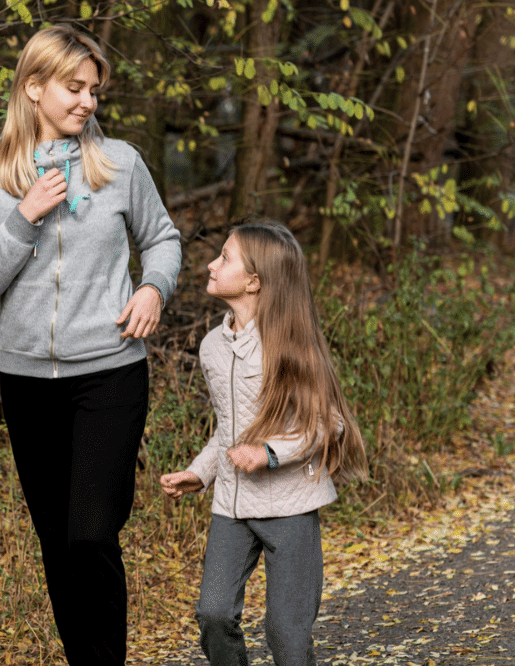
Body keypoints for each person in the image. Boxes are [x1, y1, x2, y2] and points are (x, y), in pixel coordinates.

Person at [0, 24, 181, 665]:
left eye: (93, 91)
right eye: (73, 88)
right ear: (33, 87)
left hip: (109, 371)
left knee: (90, 534)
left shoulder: (121, 164)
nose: (87, 102)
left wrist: (153, 289)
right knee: (57, 541)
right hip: (27, 381)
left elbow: (162, 239)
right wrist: (23, 216)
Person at [160, 220, 366, 666]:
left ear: (254, 282)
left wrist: (270, 453)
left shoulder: (291, 345)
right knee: (213, 614)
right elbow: (228, 430)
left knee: (287, 636)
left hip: (290, 509)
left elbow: (328, 424)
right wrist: (200, 472)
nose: (212, 264)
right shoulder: (212, 346)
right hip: (231, 508)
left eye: (225, 258)